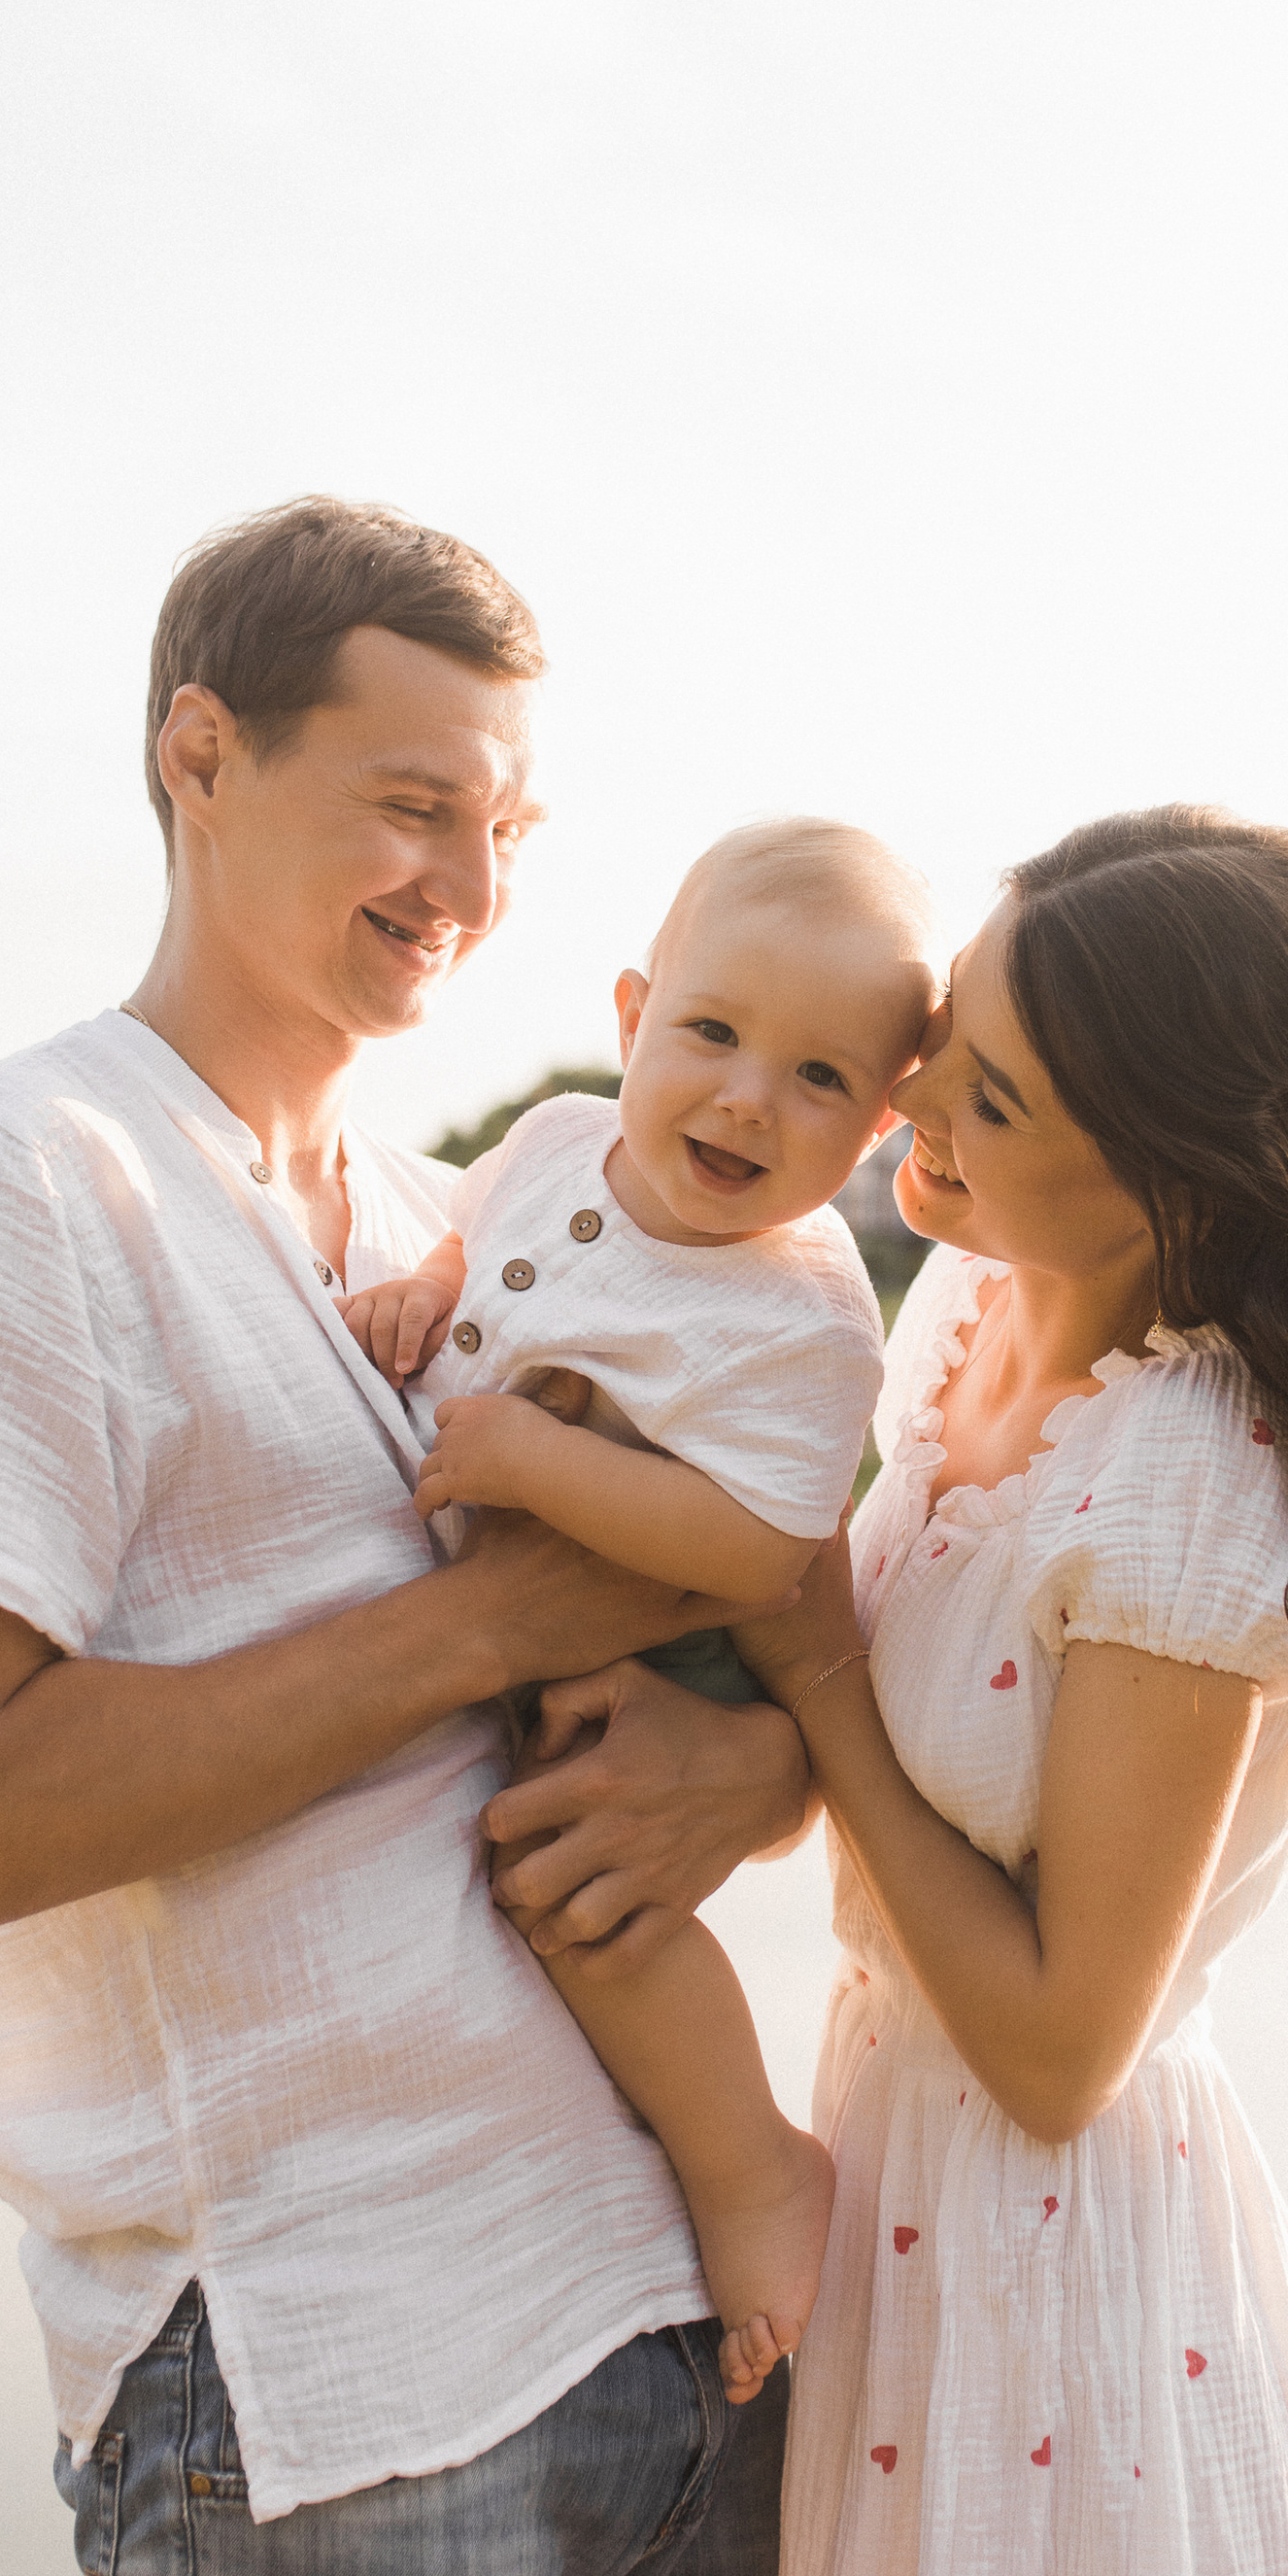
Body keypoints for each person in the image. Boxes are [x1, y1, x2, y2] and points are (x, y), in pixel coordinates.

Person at [0, 498, 817, 2576]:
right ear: (198, 757)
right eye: (406, 801)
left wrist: (756, 1781)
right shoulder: (15, 1187)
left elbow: (760, 1588)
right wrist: (485, 1613)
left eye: (505, 825)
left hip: (669, 2330)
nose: (461, 877)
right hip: (328, 2393)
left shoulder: (460, 1207)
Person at [491, 807, 1288, 2576]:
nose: (910, 1101)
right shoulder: (962, 1310)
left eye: (990, 1096)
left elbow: (1058, 2038)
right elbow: (901, 1739)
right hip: (889, 2198)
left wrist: (809, 1686)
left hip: (1057, 2269)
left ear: (1165, 1183)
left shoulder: (1188, 1478)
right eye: (952, 1037)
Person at [351, 817, 936, 2395]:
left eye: (820, 1080)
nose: (749, 1096)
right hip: (513, 1600)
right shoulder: (552, 1138)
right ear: (632, 1020)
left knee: (588, 1901)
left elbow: (756, 1546)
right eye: (713, 1034)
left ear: (881, 1125)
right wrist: (428, 1285)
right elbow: (487, 1240)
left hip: (667, 1657)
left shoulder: (804, 1317)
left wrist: (534, 1458)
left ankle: (753, 2169)